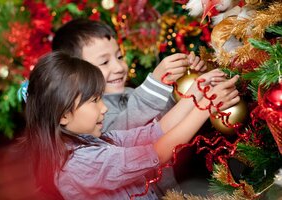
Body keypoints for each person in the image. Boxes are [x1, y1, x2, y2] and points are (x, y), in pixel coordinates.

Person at [22, 51, 239, 200]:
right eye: (94, 101)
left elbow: (155, 132)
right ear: (63, 116)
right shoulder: (79, 165)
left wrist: (195, 94)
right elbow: (156, 152)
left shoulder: (95, 141)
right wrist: (204, 109)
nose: (104, 109)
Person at [51, 18, 213, 195]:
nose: (119, 67)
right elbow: (139, 140)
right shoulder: (89, 129)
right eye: (104, 62)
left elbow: (157, 129)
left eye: (119, 57)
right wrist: (156, 82)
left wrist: (195, 87)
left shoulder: (131, 94)